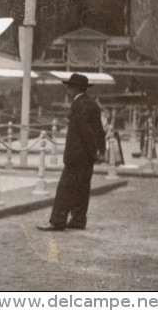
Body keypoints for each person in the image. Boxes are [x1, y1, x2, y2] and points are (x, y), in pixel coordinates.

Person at [37, 73, 106, 231]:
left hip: (76, 155)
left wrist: (90, 149)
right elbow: (99, 131)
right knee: (83, 188)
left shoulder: (78, 105)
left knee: (65, 189)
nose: (67, 89)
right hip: (88, 157)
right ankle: (78, 220)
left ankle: (57, 221)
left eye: (69, 86)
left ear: (75, 88)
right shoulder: (92, 104)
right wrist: (99, 150)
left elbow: (85, 131)